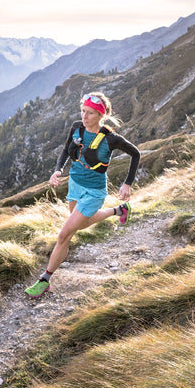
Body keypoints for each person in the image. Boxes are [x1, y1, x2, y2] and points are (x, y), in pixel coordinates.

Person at [24, 91, 140, 298]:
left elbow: (136, 153)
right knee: (82, 224)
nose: (84, 117)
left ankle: (45, 279)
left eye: (90, 113)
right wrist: (58, 170)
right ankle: (118, 210)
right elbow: (65, 151)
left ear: (100, 116)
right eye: (83, 111)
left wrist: (127, 184)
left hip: (94, 191)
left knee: (64, 235)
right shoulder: (77, 127)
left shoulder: (111, 139)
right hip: (75, 185)